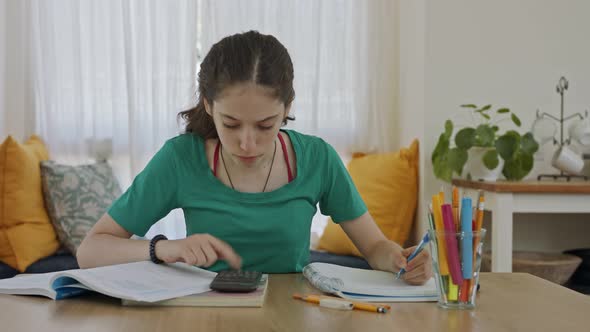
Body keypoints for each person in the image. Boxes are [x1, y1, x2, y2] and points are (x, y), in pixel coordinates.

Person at [77, 30, 432, 285]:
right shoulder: (180, 159)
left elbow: (374, 248)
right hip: (203, 316)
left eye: (265, 125)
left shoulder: (317, 159)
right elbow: (90, 250)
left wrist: (400, 259)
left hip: (291, 316)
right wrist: (164, 249)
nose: (247, 143)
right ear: (208, 106)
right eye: (230, 124)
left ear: (287, 109)